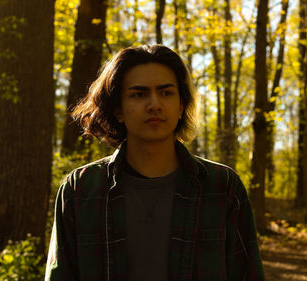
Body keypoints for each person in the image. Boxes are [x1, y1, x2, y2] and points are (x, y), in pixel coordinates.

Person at [45, 45, 264, 281]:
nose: (154, 104)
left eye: (166, 92)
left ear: (181, 106)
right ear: (118, 110)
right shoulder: (81, 190)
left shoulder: (222, 187)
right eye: (139, 94)